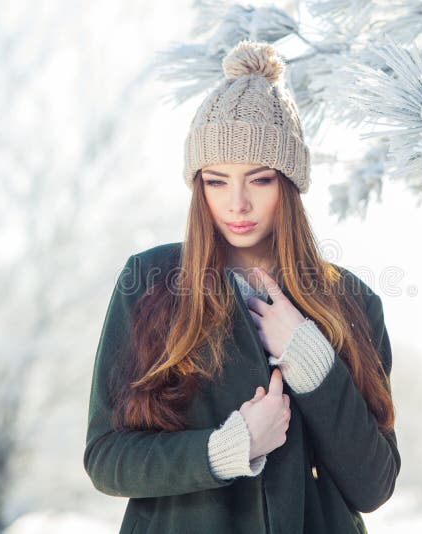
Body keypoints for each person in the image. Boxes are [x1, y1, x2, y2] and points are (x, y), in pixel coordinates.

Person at [83, 39, 400, 534]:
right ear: (198, 185)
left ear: (289, 183)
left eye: (259, 179)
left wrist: (311, 360)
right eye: (215, 181)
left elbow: (373, 485)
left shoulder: (352, 300)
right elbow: (107, 458)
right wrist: (230, 446)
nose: (237, 204)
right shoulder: (149, 284)